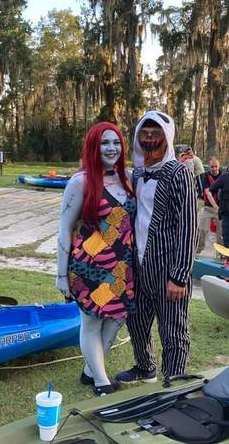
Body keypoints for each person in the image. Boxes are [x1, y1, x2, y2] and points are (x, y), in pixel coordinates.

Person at [116, 111, 197, 384]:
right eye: (145, 134)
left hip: (168, 267)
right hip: (139, 263)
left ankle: (173, 380)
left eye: (156, 134)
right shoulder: (138, 174)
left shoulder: (180, 174)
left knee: (172, 328)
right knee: (136, 320)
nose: (150, 140)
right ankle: (145, 365)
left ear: (167, 137)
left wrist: (180, 275)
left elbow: (188, 226)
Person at [56, 122, 136, 396]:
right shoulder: (81, 182)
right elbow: (64, 228)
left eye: (116, 142)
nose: (112, 148)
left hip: (121, 267)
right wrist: (60, 274)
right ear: (93, 146)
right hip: (88, 268)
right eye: (104, 143)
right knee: (92, 321)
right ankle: (102, 382)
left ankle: (91, 371)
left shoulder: (126, 180)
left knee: (115, 319)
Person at [196, 157, 222, 254]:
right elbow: (207, 193)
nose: (214, 169)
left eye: (216, 166)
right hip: (208, 208)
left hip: (221, 210)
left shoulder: (224, 175)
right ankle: (197, 251)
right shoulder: (205, 176)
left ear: (219, 166)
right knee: (202, 230)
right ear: (209, 167)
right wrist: (216, 207)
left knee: (221, 234)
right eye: (212, 167)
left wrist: (220, 209)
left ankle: (221, 254)